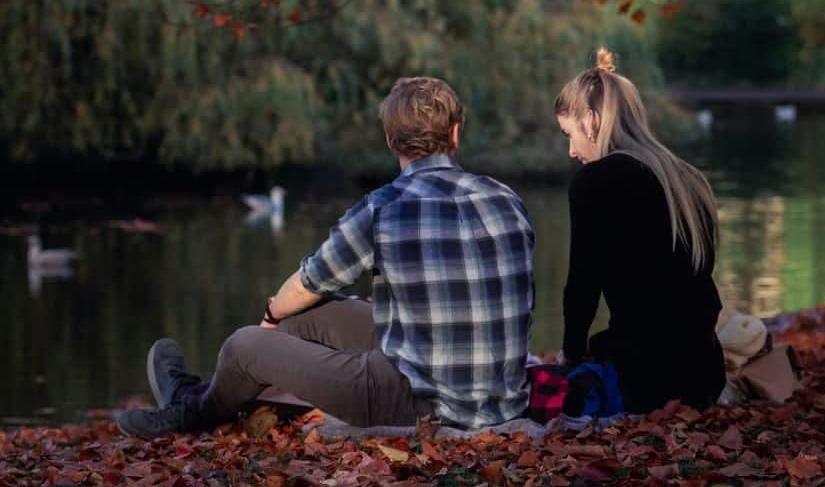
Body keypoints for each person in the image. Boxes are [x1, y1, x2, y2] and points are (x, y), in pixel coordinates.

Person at [117, 76, 536, 438]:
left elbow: (309, 281)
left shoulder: (384, 207)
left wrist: (271, 315)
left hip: (418, 403)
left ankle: (190, 410)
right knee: (306, 318)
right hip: (500, 399)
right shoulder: (506, 198)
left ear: (390, 141)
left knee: (245, 346)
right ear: (456, 134)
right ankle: (227, 397)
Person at [554, 48, 725, 413]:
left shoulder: (595, 180)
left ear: (592, 121)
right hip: (705, 374)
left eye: (569, 134)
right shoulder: (688, 178)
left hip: (646, 380)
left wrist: (570, 354)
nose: (571, 150)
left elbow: (583, 284)